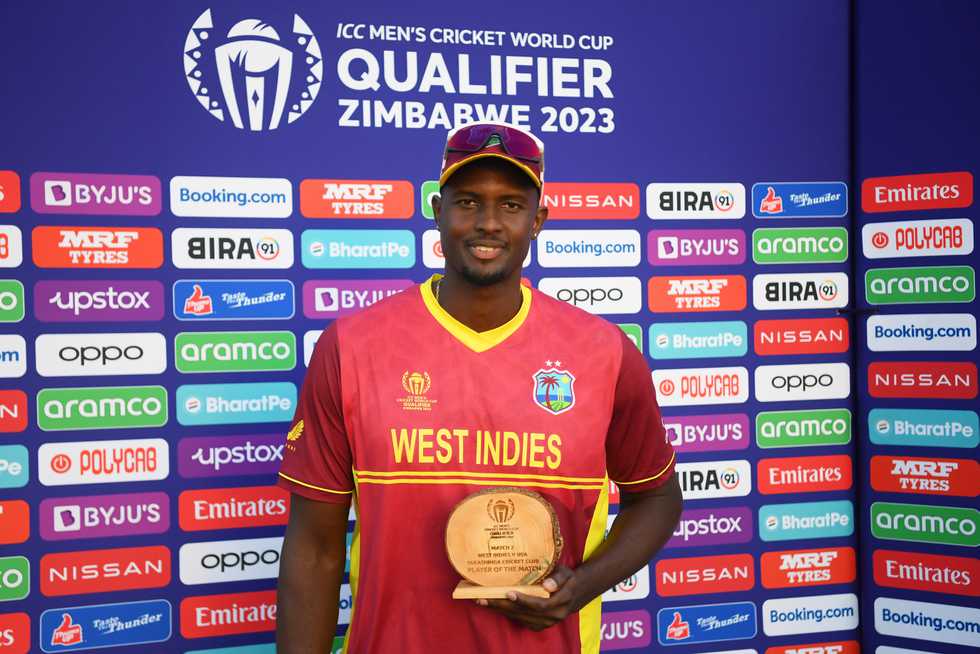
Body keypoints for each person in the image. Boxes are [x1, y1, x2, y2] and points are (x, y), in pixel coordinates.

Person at [276, 121, 682, 653]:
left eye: (511, 205)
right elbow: (313, 547)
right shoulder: (352, 346)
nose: (488, 223)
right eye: (467, 201)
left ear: (538, 220)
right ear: (437, 211)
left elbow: (656, 497)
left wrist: (579, 588)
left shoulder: (604, 353)